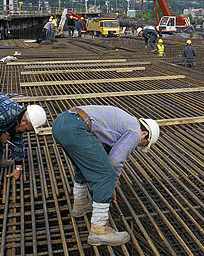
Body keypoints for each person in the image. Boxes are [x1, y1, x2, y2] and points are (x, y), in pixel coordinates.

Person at [51, 105, 160, 246]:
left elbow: (103, 152)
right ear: (144, 134)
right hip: (76, 127)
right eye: (142, 144)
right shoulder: (135, 132)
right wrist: (110, 185)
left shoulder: (124, 121)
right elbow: (115, 161)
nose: (138, 146)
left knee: (83, 164)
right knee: (107, 174)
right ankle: (99, 230)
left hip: (61, 122)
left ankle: (80, 204)